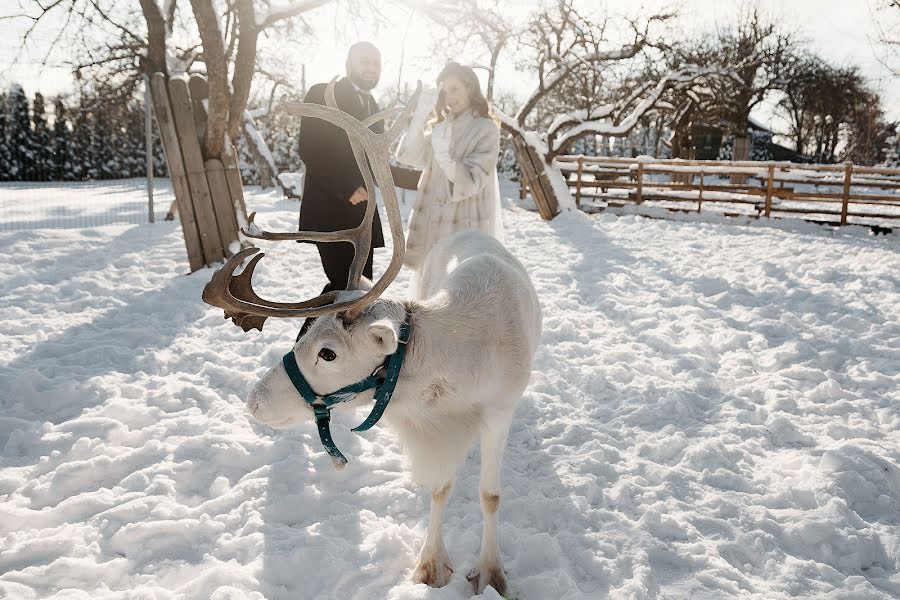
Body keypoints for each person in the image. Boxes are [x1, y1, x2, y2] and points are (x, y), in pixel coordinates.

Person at [295, 42, 418, 340]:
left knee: (361, 290)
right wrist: (346, 187)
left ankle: (337, 358)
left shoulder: (372, 104)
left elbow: (377, 163)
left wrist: (424, 180)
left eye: (376, 63)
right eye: (365, 61)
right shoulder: (324, 93)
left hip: (363, 216)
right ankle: (302, 354)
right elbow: (309, 148)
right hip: (331, 211)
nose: (371, 68)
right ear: (349, 63)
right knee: (343, 288)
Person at [396, 62, 503, 292]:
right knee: (427, 298)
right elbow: (407, 155)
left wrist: (446, 158)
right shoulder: (441, 128)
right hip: (431, 228)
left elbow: (474, 180)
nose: (449, 96)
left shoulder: (486, 129)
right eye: (445, 91)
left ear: (470, 88)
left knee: (459, 296)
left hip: (463, 226)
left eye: (455, 89)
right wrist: (420, 115)